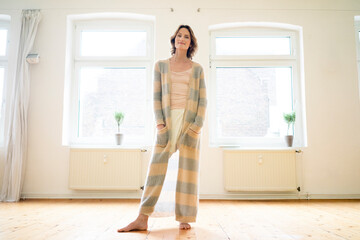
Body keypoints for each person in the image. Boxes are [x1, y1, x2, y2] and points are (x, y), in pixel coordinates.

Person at [118, 24, 207, 232]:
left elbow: (203, 101)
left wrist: (196, 127)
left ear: (190, 42)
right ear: (174, 39)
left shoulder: (198, 69)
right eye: (179, 35)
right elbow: (156, 97)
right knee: (156, 170)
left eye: (186, 36)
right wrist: (160, 123)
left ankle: (184, 216)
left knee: (187, 172)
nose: (182, 39)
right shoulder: (160, 66)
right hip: (166, 121)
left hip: (189, 123)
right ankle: (142, 218)